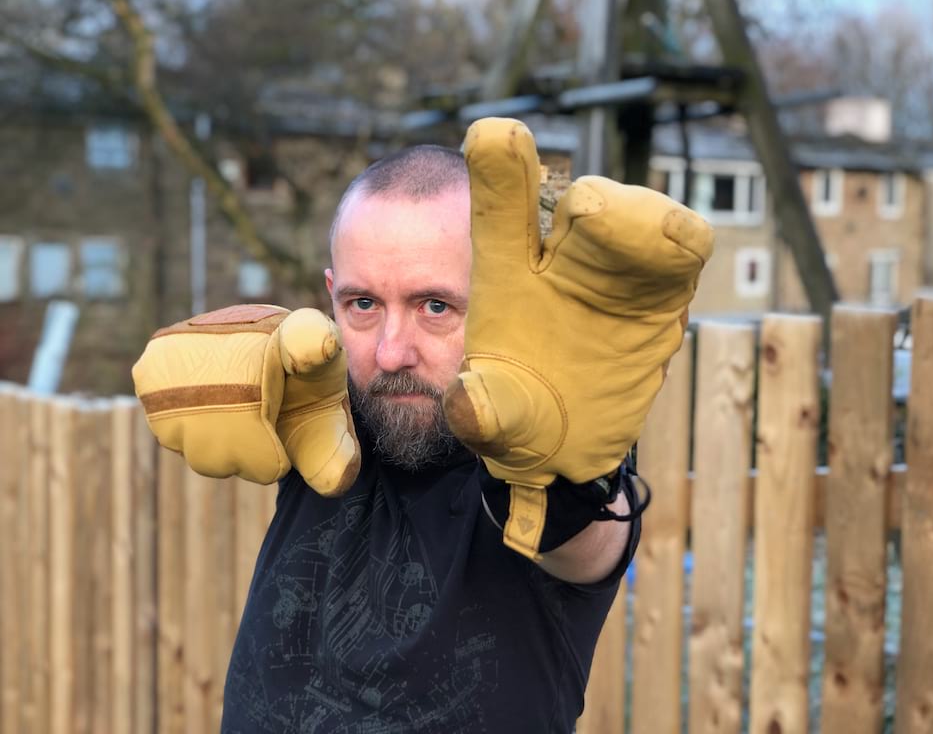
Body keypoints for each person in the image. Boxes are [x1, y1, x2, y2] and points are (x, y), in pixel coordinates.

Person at [133, 118, 713, 733]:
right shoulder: (320, 410)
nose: (390, 352)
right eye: (363, 304)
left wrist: (562, 480)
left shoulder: (541, 446)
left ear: (505, 303)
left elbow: (584, 538)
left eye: (435, 306)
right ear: (331, 295)